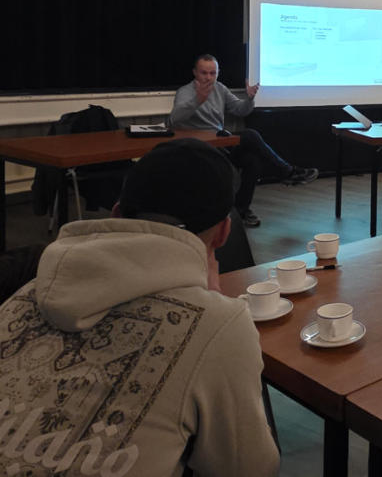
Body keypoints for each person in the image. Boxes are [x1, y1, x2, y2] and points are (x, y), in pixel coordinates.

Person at [0, 138, 280, 477]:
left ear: (117, 213)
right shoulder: (217, 324)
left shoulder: (24, 292)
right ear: (223, 232)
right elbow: (249, 468)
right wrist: (214, 305)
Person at [170, 54, 318, 227]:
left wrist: (249, 99)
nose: (208, 78)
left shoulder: (220, 89)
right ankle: (287, 172)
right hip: (199, 148)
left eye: (213, 73)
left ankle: (241, 210)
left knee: (252, 160)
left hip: (220, 144)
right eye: (204, 73)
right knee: (250, 135)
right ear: (195, 73)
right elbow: (174, 120)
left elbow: (240, 110)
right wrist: (197, 100)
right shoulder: (185, 92)